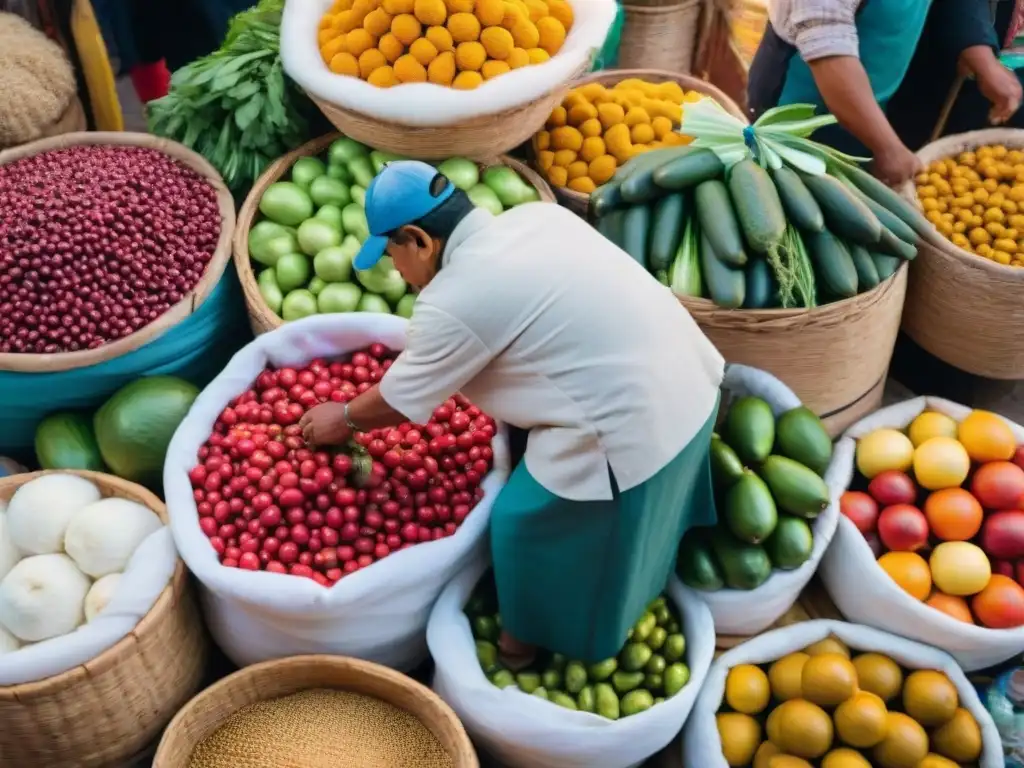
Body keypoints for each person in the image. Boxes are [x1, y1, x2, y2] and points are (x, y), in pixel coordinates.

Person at [298, 161, 724, 666]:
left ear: (419, 239)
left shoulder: (454, 298)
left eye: (392, 254)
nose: (395, 270)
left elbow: (397, 400)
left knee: (523, 524)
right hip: (693, 378)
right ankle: (651, 570)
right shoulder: (536, 219)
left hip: (634, 428)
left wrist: (342, 417)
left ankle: (536, 644)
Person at [747, 0, 1023, 186]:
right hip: (802, 100)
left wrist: (981, 55)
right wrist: (887, 148)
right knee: (787, 196)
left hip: (868, 98)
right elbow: (828, 49)